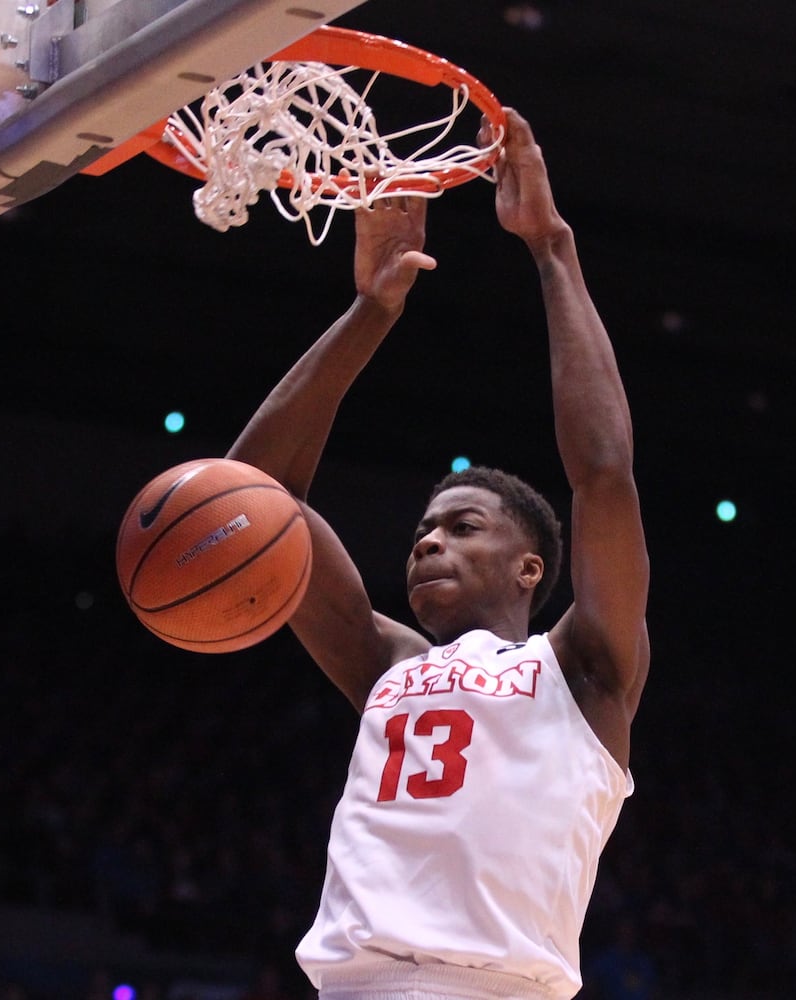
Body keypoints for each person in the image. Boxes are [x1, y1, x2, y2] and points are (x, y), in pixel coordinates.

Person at [225, 107, 650, 1000]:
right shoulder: (387, 661)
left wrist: (552, 250)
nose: (428, 538)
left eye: (463, 526)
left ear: (531, 569)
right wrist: (371, 309)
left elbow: (604, 475)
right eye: (424, 526)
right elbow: (249, 501)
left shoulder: (581, 671)